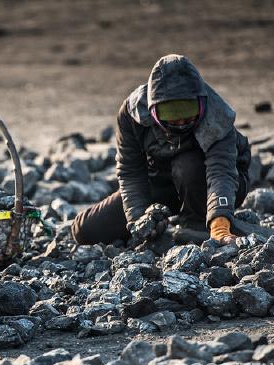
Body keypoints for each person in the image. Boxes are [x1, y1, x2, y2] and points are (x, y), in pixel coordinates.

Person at [71, 54, 251, 246]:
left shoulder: (217, 114)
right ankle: (171, 221)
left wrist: (220, 224)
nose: (181, 123)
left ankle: (197, 225)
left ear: (200, 102)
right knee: (84, 230)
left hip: (216, 185)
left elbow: (221, 173)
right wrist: (140, 221)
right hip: (163, 180)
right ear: (153, 110)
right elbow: (131, 171)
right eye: (172, 115)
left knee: (187, 164)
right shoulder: (133, 113)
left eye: (187, 114)